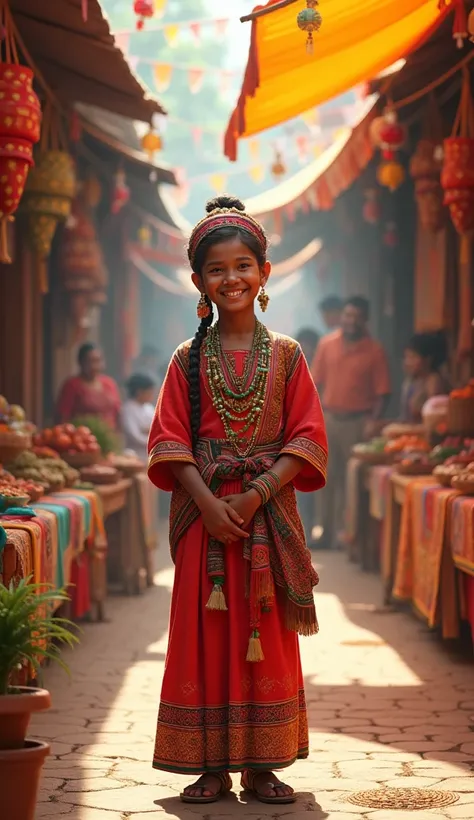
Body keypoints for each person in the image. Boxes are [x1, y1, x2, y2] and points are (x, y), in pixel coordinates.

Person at [148, 195, 328, 805]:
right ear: (199, 281)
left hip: (267, 516)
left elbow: (307, 436)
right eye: (218, 269)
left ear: (264, 273)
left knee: (267, 635)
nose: (232, 278)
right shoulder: (185, 359)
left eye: (244, 265)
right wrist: (206, 502)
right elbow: (169, 441)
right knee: (206, 634)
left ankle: (264, 763)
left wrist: (253, 496)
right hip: (206, 523)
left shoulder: (288, 356)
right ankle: (208, 764)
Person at [311, 296, 390, 550]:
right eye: (348, 315)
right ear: (342, 317)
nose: (351, 321)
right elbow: (314, 383)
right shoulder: (326, 344)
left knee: (352, 483)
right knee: (326, 478)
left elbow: (383, 393)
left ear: (365, 320)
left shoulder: (374, 351)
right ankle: (326, 534)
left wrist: (373, 421)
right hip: (329, 420)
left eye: (357, 317)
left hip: (359, 423)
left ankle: (350, 537)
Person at [56, 343, 121, 430]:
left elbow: (117, 412)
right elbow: (63, 417)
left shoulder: (109, 384)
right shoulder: (72, 385)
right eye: (90, 361)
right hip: (83, 438)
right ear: (80, 363)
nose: (95, 366)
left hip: (109, 437)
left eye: (98, 361)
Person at [296, 328, 321, 541]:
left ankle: (315, 530)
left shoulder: (320, 366)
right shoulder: (291, 365)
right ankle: (302, 531)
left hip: (316, 431)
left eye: (309, 345)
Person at [400, 331, 450, 423]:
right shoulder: (410, 381)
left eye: (413, 357)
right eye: (406, 357)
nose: (407, 362)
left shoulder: (433, 381)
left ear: (428, 359)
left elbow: (433, 416)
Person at [121, 373, 156, 462]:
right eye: (150, 391)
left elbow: (156, 427)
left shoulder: (149, 408)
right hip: (134, 455)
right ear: (139, 392)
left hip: (151, 454)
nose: (152, 394)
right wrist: (155, 440)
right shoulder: (128, 409)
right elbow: (135, 436)